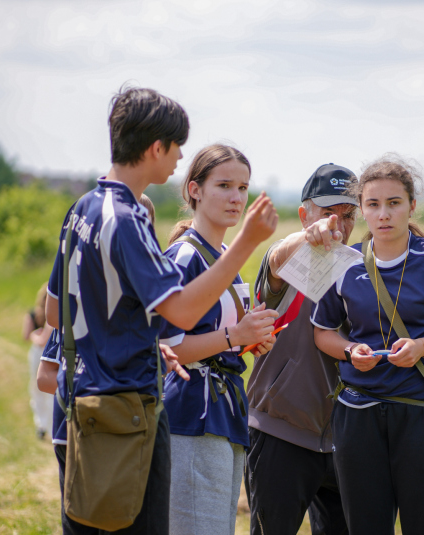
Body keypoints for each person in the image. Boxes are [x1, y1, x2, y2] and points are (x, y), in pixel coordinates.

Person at [44, 86, 278, 535]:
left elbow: (56, 312)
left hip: (81, 402)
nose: (177, 159)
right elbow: (184, 314)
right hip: (125, 407)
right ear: (156, 147)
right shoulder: (128, 219)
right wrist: (248, 241)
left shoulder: (83, 208)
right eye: (176, 148)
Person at [312, 155, 424, 535]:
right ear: (361, 209)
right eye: (373, 205)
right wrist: (349, 352)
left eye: (394, 203)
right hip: (357, 414)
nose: (383, 214)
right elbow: (322, 332)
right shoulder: (344, 263)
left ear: (411, 205)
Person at [159, 144, 279, 535]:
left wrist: (251, 339)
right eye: (224, 185)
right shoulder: (184, 257)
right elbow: (167, 347)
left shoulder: (224, 253)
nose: (236, 198)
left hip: (225, 408)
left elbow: (221, 339)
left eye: (243, 188)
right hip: (193, 408)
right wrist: (235, 335)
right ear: (194, 189)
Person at [245, 163, 357, 535]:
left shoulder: (362, 271)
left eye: (348, 214)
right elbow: (278, 256)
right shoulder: (288, 260)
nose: (338, 225)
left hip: (347, 440)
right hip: (282, 433)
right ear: (304, 213)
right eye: (327, 213)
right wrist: (311, 236)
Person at [23, 283, 54, 439]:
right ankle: (43, 424)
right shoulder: (41, 316)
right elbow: (31, 336)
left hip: (40, 351)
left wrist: (36, 336)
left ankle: (44, 424)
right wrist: (37, 336)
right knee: (41, 388)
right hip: (42, 352)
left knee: (40, 388)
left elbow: (30, 336)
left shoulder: (39, 315)